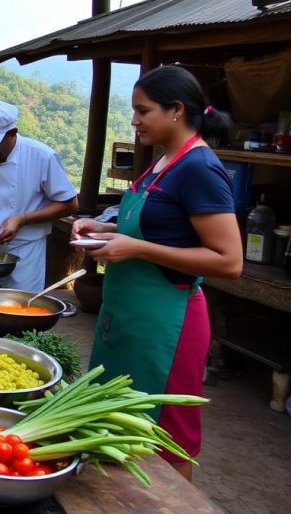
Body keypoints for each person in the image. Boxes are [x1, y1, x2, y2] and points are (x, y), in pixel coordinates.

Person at [73, 65, 243, 481]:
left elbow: (229, 261)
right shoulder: (162, 162)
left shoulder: (200, 168)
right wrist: (104, 228)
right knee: (117, 425)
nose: (134, 121)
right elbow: (157, 227)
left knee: (166, 438)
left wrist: (135, 248)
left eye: (142, 110)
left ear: (176, 111)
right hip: (128, 317)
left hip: (168, 322)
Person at [0, 100, 78, 292]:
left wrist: (22, 219)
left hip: (26, 253)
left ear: (13, 133)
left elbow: (70, 204)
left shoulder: (42, 156)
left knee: (21, 308)